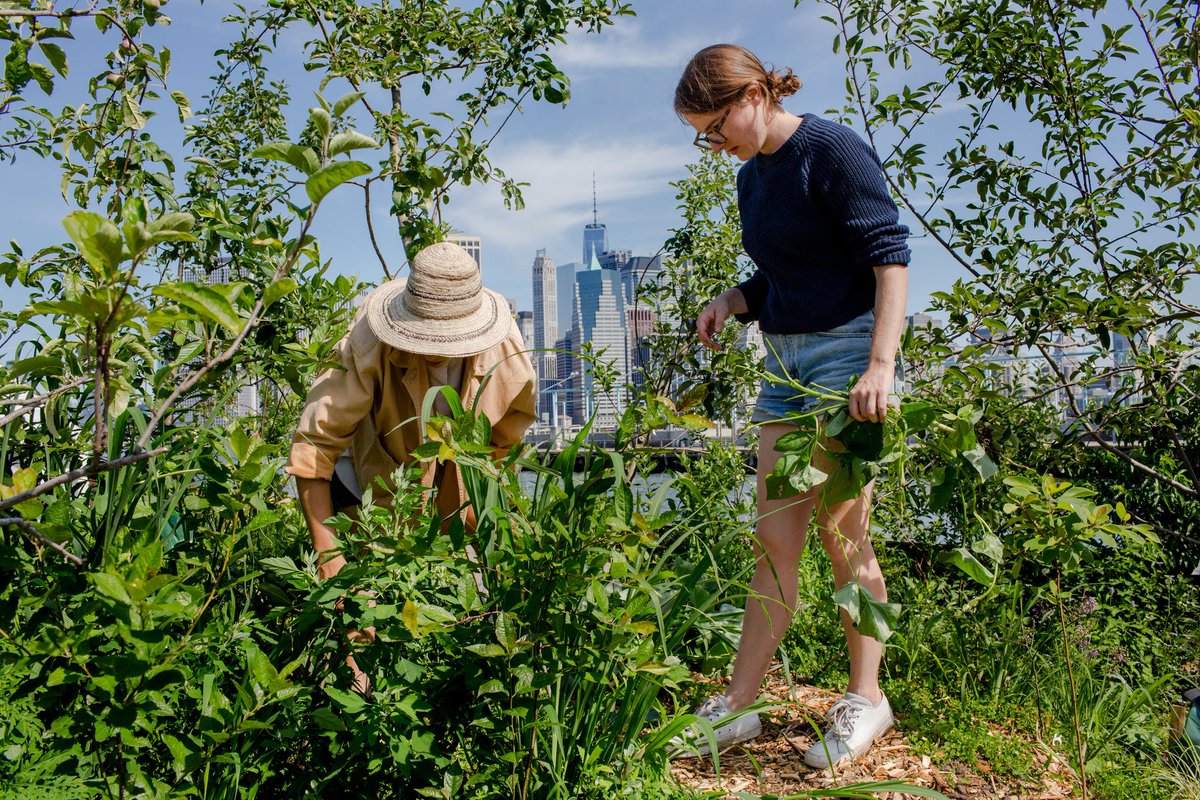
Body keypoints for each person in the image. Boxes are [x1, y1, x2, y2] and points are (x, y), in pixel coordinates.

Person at [672, 44, 910, 768]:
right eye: (703, 137)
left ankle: (867, 700)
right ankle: (740, 704)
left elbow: (889, 255)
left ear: (751, 95)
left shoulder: (830, 148)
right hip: (784, 365)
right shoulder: (753, 179)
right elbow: (782, 275)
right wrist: (732, 299)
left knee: (845, 533)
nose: (714, 146)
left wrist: (879, 365)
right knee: (775, 538)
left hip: (845, 356)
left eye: (715, 128)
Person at [285, 241, 536, 689]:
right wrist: (332, 562)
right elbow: (313, 449)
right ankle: (361, 712)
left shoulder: (507, 354)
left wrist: (483, 531)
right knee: (362, 631)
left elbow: (502, 451)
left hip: (453, 491)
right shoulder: (368, 339)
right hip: (364, 480)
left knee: (467, 615)